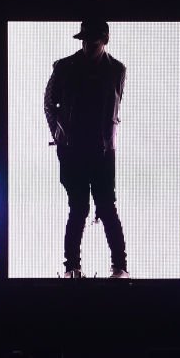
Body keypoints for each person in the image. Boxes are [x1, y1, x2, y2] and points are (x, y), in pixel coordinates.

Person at [44, 20, 129, 278]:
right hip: (74, 150)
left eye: (92, 40)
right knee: (79, 208)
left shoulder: (117, 70)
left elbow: (114, 110)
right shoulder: (65, 67)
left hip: (102, 152)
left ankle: (119, 266)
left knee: (105, 208)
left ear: (104, 40)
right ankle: (72, 267)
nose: (87, 45)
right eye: (84, 40)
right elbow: (49, 104)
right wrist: (59, 136)